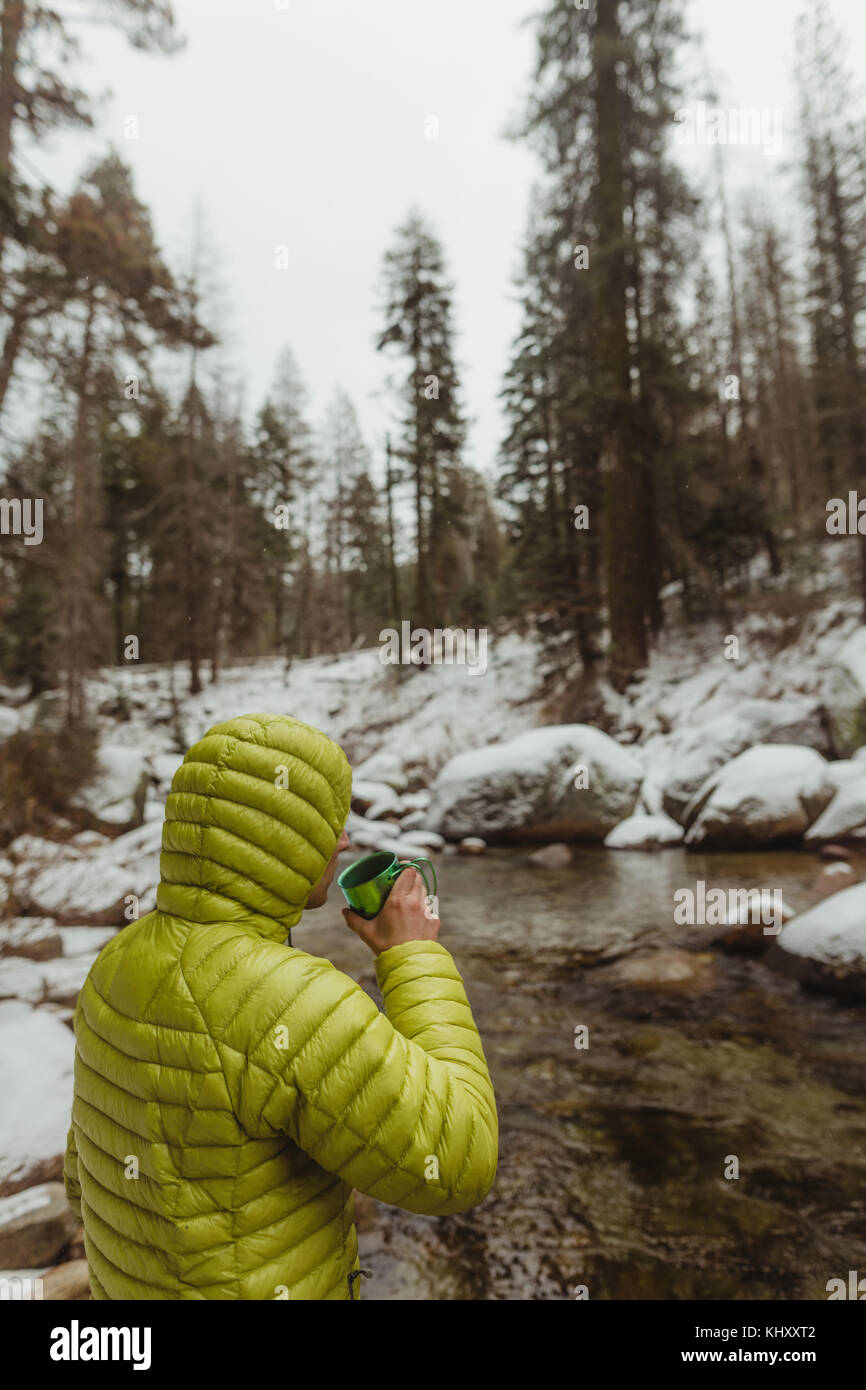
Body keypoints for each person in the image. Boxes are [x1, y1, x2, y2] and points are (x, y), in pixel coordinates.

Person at [62, 713, 498, 1300]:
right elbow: (458, 1161)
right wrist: (413, 955)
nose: (344, 841)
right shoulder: (289, 999)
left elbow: (82, 1177)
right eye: (328, 824)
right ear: (280, 837)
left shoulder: (114, 962)